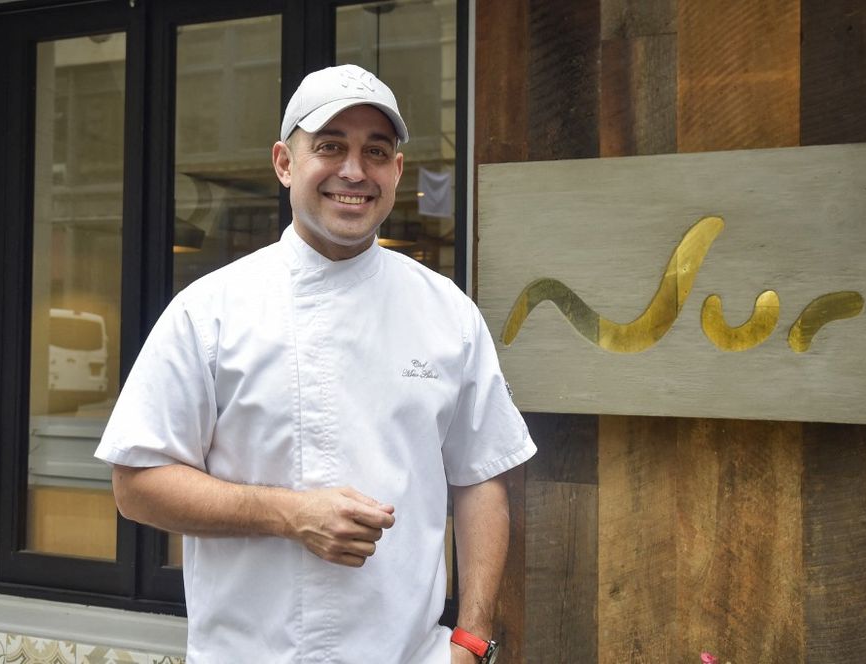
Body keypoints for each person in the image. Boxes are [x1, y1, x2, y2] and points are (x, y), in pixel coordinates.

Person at [95, 64, 536, 663]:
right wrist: (290, 514)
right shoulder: (210, 312)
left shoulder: (447, 312)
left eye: (376, 152)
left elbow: (481, 475)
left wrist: (473, 637)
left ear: (397, 173)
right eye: (330, 146)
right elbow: (136, 485)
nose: (354, 171)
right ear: (284, 163)